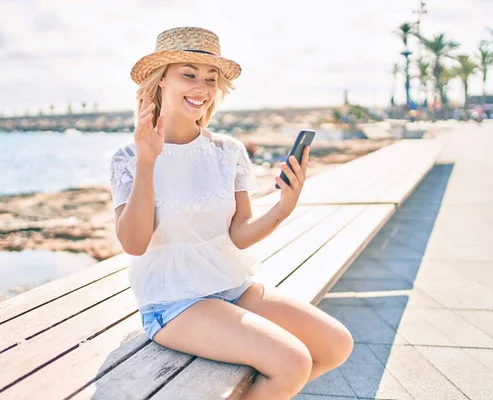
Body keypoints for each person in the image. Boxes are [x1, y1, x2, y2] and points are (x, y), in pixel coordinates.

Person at [109, 27, 353, 399]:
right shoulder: (128, 158)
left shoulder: (228, 151)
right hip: (173, 301)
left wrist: (284, 208)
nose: (202, 88)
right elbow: (134, 244)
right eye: (188, 74)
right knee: (292, 363)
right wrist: (147, 162)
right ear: (160, 82)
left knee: (336, 345)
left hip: (231, 286)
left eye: (211, 78)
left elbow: (238, 233)